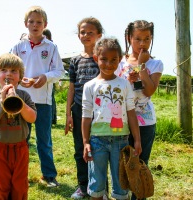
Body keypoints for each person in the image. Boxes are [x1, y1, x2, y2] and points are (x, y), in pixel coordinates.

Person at [11, 6, 65, 187]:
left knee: (44, 140)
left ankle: (49, 176)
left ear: (45, 25)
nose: (35, 25)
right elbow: (11, 71)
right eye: (31, 21)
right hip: (21, 100)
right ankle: (18, 175)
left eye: (39, 22)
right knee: (21, 139)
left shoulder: (51, 47)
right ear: (25, 24)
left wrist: (45, 77)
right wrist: (19, 82)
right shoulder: (18, 46)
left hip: (43, 101)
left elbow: (59, 71)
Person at [82, 38, 142, 200]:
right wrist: (86, 142)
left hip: (121, 142)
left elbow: (131, 113)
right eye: (104, 59)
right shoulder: (90, 86)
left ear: (120, 59)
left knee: (121, 184)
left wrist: (136, 140)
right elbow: (86, 116)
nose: (109, 64)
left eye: (114, 60)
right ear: (96, 58)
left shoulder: (124, 84)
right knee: (96, 184)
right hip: (97, 142)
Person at [115, 20, 164, 200]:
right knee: (121, 161)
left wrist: (142, 68)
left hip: (145, 122)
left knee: (140, 162)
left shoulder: (156, 63)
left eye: (147, 39)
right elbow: (116, 90)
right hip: (121, 119)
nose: (142, 43)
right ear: (129, 38)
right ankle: (121, 195)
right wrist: (128, 80)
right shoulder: (119, 61)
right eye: (138, 39)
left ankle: (138, 196)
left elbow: (149, 90)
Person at [65, 17, 105, 199]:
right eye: (82, 32)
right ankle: (83, 185)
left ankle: (101, 187)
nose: (86, 35)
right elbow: (72, 87)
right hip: (79, 109)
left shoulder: (103, 58)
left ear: (99, 35)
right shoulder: (75, 60)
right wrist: (68, 114)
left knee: (100, 148)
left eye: (90, 32)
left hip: (99, 110)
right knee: (80, 147)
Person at [0, 53, 37, 199]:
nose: (8, 74)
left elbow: (32, 118)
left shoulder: (24, 96)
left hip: (20, 148)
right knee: (0, 185)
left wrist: (18, 101)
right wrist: (2, 100)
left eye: (14, 71)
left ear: (20, 76)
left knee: (19, 185)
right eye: (4, 70)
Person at [43, 28, 57, 125]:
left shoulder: (51, 47)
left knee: (50, 99)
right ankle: (52, 118)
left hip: (49, 80)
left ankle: (52, 118)